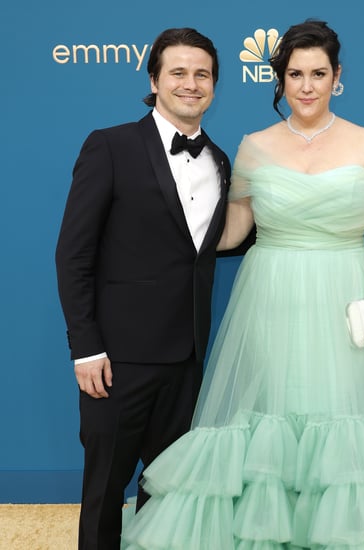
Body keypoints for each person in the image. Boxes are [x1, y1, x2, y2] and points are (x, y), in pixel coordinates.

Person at [121, 20, 364, 549]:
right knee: (270, 416)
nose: (306, 86)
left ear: (336, 76)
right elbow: (230, 231)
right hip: (270, 296)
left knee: (345, 418)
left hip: (343, 290)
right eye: (295, 74)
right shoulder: (254, 146)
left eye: (318, 73)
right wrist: (162, 224)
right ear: (279, 78)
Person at [55, 27, 251, 550]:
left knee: (170, 496)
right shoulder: (111, 145)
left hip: (187, 357)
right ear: (155, 80)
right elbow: (74, 254)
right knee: (103, 493)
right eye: (179, 73)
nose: (192, 84)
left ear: (215, 85)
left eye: (202, 74)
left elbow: (209, 247)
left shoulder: (220, 161)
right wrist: (86, 347)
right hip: (117, 360)